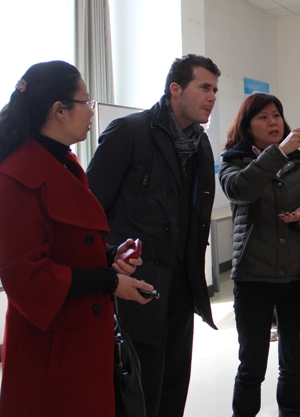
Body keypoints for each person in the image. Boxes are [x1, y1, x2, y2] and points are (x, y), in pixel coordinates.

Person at [0, 61, 153, 416]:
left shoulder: (64, 165)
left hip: (82, 336)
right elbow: (27, 277)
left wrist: (108, 255)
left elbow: (69, 244)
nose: (91, 111)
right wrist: (108, 282)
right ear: (59, 110)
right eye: (86, 102)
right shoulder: (15, 180)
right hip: (50, 347)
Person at [86, 54, 220, 417]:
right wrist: (108, 265)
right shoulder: (129, 132)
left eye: (214, 90)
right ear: (176, 89)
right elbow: (91, 208)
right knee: (139, 388)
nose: (212, 97)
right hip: (137, 281)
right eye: (204, 87)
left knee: (174, 383)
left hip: (182, 282)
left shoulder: (199, 143)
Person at [219, 93, 300, 417]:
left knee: (294, 363)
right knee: (251, 365)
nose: (273, 122)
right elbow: (241, 191)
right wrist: (279, 152)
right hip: (252, 277)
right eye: (263, 117)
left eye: (277, 115)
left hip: (296, 277)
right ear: (247, 126)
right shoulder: (233, 162)